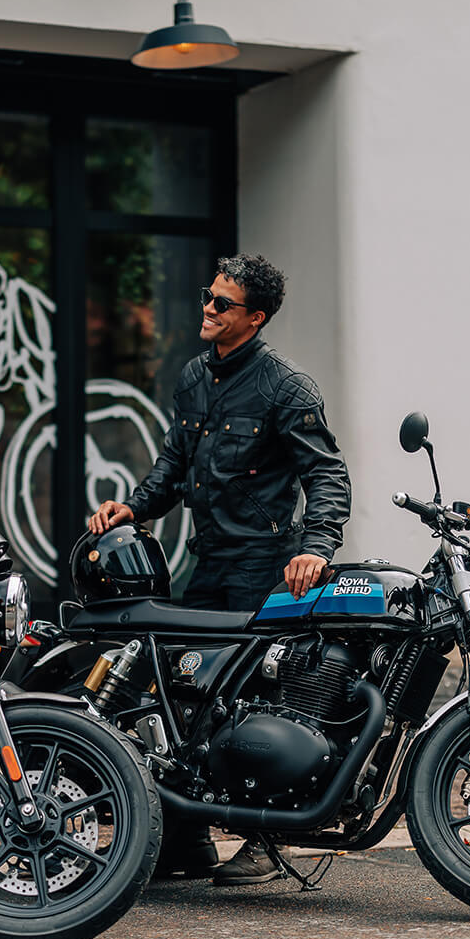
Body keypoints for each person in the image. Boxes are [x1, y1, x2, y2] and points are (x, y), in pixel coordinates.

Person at [89, 253, 351, 886]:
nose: (207, 308)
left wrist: (316, 547)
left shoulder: (286, 388)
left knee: (261, 703)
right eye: (207, 296)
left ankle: (266, 841)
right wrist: (134, 506)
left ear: (255, 318)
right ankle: (187, 840)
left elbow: (326, 473)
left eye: (221, 303)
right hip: (208, 564)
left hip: (266, 569)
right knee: (182, 697)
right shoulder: (194, 376)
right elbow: (173, 464)